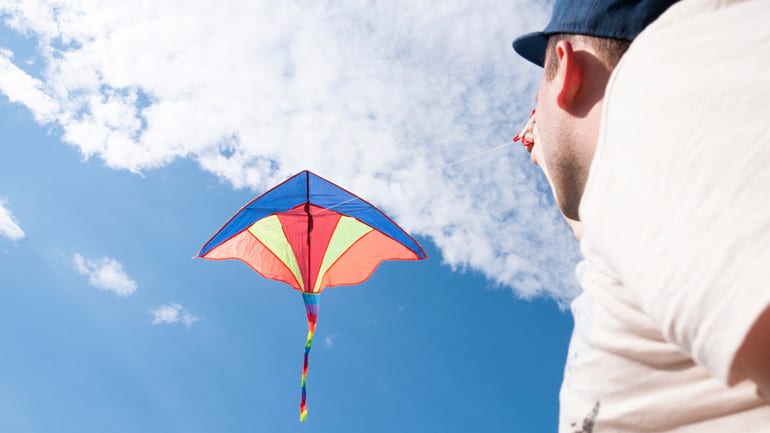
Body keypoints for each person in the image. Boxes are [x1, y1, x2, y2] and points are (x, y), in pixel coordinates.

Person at [513, 0, 770, 431]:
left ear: (566, 67)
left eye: (538, 84)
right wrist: (559, 168)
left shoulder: (654, 90)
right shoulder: (640, 174)